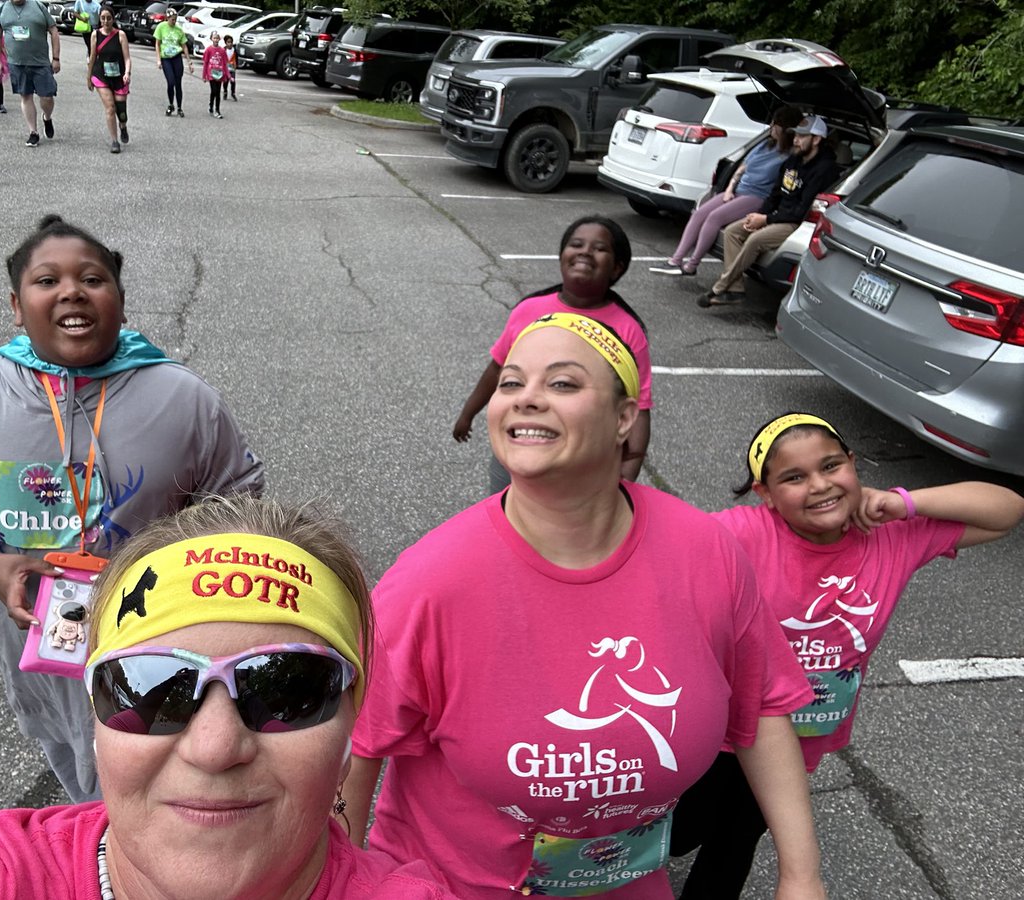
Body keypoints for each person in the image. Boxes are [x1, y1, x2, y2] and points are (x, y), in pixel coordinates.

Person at [346, 313, 827, 899]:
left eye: (563, 384)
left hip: (628, 881)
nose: (527, 400)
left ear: (625, 418)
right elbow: (355, 754)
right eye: (511, 383)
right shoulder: (428, 584)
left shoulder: (705, 552)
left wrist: (801, 875)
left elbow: (763, 708)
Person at [0, 495, 462, 900]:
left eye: (286, 689)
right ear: (96, 719)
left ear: (353, 726)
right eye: (154, 687)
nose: (215, 749)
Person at [0, 214, 266, 803]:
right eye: (46, 280)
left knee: (164, 790)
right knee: (78, 773)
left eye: (92, 278)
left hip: (162, 652)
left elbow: (241, 506)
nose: (71, 291)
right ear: (15, 305)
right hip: (41, 655)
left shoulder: (183, 399)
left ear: (121, 300)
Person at [670, 412, 1024, 899]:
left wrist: (904, 502)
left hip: (801, 735)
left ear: (854, 465)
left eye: (831, 466)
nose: (819, 486)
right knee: (676, 833)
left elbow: (1006, 511)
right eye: (793, 477)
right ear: (765, 494)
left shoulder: (892, 536)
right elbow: (658, 550)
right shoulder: (744, 533)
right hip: (722, 733)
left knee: (737, 840)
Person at [453, 215, 653, 488]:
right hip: (519, 441)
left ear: (617, 268)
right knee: (504, 513)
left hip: (580, 457)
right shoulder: (529, 311)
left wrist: (626, 478)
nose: (585, 251)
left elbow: (639, 407)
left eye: (599, 248)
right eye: (576, 244)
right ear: (562, 257)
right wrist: (468, 413)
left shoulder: (628, 330)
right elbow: (498, 368)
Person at [699, 115, 839, 307]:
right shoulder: (793, 161)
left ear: (816, 140)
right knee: (732, 231)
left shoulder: (824, 170)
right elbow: (775, 194)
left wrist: (765, 220)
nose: (796, 140)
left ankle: (720, 286)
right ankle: (736, 289)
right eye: (796, 135)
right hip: (775, 216)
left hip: (794, 223)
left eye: (802, 136)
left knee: (755, 240)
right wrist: (758, 216)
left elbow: (801, 211)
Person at [650, 105, 801, 277]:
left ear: (787, 130)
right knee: (699, 214)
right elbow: (742, 167)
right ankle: (675, 261)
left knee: (714, 217)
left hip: (757, 196)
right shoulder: (765, 145)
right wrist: (730, 188)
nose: (772, 127)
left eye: (777, 124)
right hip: (738, 190)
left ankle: (692, 265)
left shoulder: (790, 156)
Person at [0, 0, 61, 147]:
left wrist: (56, 58)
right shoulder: (2, 8)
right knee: (25, 95)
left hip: (40, 62)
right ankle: (33, 132)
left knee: (47, 97)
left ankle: (47, 117)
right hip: (17, 63)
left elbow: (54, 31)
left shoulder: (38, 6)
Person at [86, 4, 130, 153]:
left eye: (109, 18)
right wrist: (89, 76)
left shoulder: (121, 35)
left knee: (121, 111)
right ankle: (114, 140)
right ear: (99, 19)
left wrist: (127, 73)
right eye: (103, 18)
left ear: (113, 18)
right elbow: (92, 57)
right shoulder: (95, 35)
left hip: (119, 77)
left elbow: (127, 58)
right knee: (110, 108)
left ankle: (123, 126)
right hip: (101, 76)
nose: (106, 21)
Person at [153, 5, 191, 116]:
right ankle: (171, 104)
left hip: (176, 57)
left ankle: (179, 107)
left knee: (178, 84)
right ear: (167, 18)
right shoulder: (161, 27)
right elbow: (157, 43)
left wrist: (189, 61)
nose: (174, 21)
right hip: (166, 58)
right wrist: (158, 59)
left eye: (175, 19)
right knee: (171, 82)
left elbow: (184, 46)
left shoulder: (179, 30)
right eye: (172, 19)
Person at [202, 29, 229, 118]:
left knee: (218, 92)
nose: (216, 40)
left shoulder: (222, 51)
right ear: (211, 39)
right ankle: (211, 105)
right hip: (211, 74)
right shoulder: (208, 50)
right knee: (214, 91)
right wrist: (204, 75)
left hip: (220, 74)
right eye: (214, 38)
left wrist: (227, 75)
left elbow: (225, 63)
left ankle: (217, 110)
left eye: (217, 38)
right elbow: (205, 63)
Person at [223, 32, 236, 99]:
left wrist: (235, 65)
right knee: (225, 81)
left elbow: (236, 58)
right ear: (225, 43)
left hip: (232, 68)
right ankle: (225, 91)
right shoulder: (224, 50)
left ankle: (233, 92)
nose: (230, 44)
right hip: (226, 68)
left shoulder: (234, 50)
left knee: (233, 80)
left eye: (231, 42)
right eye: (228, 42)